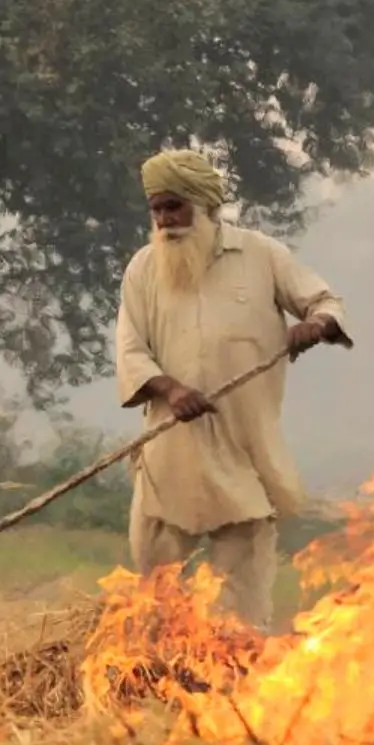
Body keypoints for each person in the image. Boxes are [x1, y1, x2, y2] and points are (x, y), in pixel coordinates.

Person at [113, 149, 351, 632]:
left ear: (204, 204)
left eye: (174, 206)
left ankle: (238, 688)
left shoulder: (262, 255)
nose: (165, 220)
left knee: (241, 611)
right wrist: (171, 389)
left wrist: (317, 324)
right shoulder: (142, 268)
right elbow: (131, 350)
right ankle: (149, 686)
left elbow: (325, 301)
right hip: (170, 453)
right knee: (155, 599)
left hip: (244, 450)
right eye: (156, 209)